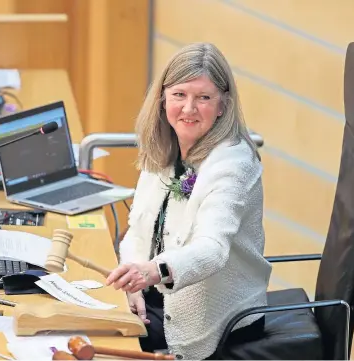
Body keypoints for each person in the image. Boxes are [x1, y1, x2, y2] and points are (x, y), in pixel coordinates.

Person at [105, 42, 272, 360]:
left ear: (223, 104)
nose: (189, 108)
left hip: (212, 315)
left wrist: (152, 272)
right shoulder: (166, 147)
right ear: (163, 97)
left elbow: (213, 250)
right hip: (156, 297)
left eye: (204, 98)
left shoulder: (234, 165)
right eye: (180, 95)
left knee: (99, 343)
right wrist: (133, 284)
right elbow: (138, 231)